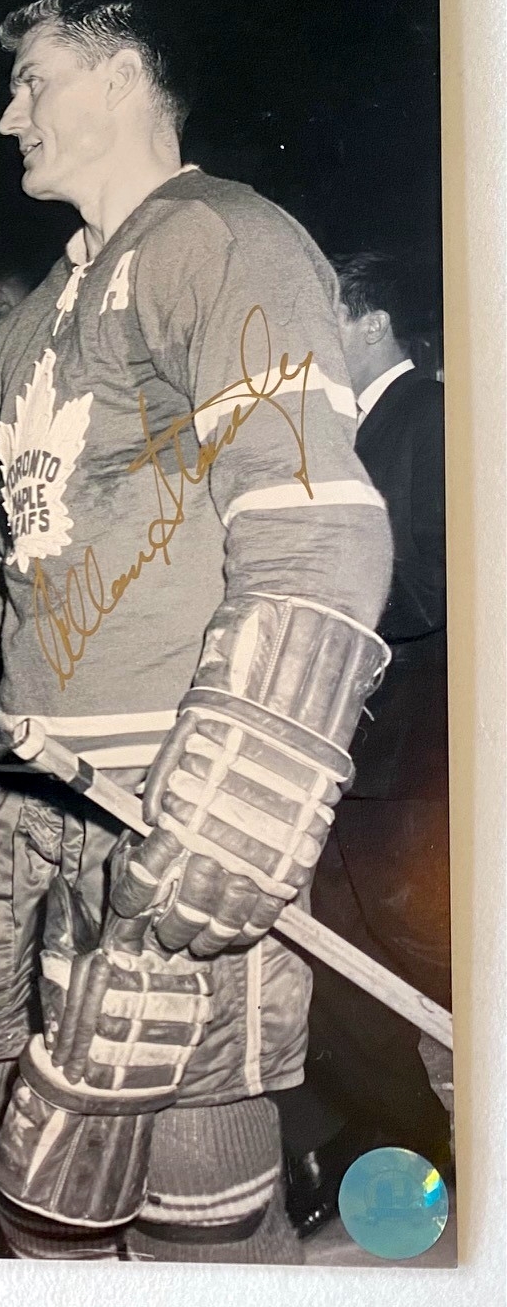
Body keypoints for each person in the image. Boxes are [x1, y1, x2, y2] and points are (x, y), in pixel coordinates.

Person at [0, 0, 394, 1262]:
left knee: (198, 1213)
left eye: (33, 79)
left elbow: (314, 526)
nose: (4, 114)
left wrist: (236, 809)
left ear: (122, 74)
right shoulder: (24, 326)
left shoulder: (222, 236)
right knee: (27, 1173)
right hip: (26, 806)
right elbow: (19, 577)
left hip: (169, 796)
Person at [279, 251, 451, 1235]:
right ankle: (401, 1132)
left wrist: (325, 593)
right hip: (351, 738)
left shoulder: (424, 418)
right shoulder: (348, 430)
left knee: (416, 941)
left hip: (413, 745)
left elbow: (440, 582)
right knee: (340, 949)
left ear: (371, 320)